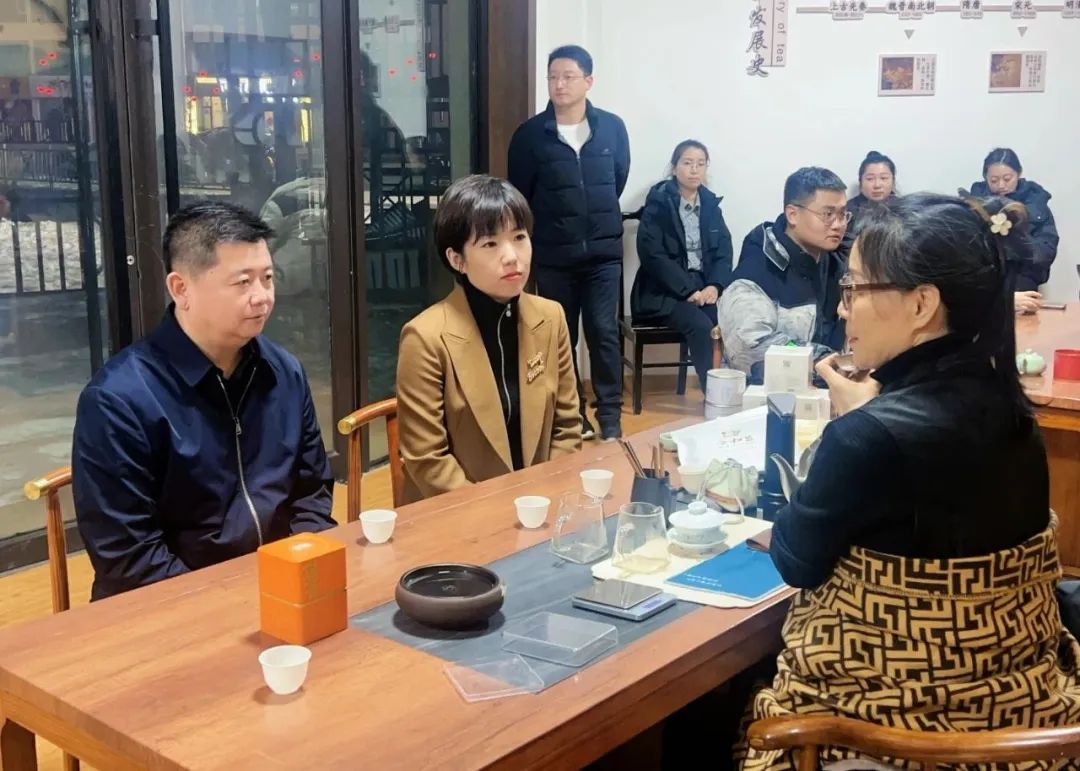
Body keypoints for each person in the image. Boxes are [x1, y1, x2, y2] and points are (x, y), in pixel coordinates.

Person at [737, 193, 1080, 770]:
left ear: (922, 304)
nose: (843, 308)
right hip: (1015, 721)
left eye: (854, 289)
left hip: (887, 736)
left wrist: (852, 422)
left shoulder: (867, 439)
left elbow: (795, 560)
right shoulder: (1014, 415)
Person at [72, 201, 335, 601]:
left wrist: (298, 569)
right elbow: (130, 559)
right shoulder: (118, 400)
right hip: (171, 606)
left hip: (278, 589)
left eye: (267, 278)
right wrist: (231, 600)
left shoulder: (284, 372)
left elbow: (311, 493)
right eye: (242, 282)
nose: (262, 297)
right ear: (181, 289)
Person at [396, 174, 581, 503]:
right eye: (490, 244)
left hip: (541, 504)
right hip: (458, 512)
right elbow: (428, 461)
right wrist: (498, 513)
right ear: (457, 259)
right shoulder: (425, 337)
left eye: (519, 237)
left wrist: (543, 499)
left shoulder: (550, 318)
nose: (512, 256)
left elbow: (567, 427)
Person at [507, 44, 630, 441]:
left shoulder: (612, 128)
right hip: (554, 256)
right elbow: (520, 194)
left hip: (603, 255)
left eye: (568, 77)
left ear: (588, 81)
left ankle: (610, 415)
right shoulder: (530, 136)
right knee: (561, 338)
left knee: (603, 332)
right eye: (553, 77)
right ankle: (574, 415)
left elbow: (617, 178)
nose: (559, 85)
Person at [717, 167, 848, 384]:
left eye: (843, 214)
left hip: (831, 390)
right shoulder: (755, 272)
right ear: (792, 214)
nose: (839, 224)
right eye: (828, 214)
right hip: (766, 394)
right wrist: (823, 358)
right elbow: (751, 348)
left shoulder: (836, 266)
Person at [630, 139, 733, 392]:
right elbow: (653, 255)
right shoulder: (659, 203)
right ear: (674, 168)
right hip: (663, 292)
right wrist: (687, 290)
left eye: (700, 164)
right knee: (701, 327)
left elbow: (724, 251)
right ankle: (714, 394)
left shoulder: (710, 205)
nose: (694, 170)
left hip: (702, 288)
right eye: (687, 163)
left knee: (729, 323)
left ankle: (731, 389)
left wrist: (715, 286)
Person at [970, 147, 1060, 311]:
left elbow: (1046, 251)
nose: (1001, 185)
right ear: (985, 178)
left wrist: (1017, 241)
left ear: (1018, 173)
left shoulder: (1036, 203)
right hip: (984, 279)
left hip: (1023, 277)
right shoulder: (974, 204)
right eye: (994, 180)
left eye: (1007, 178)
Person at [847, 150, 896, 224]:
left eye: (883, 178)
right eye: (870, 179)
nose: (877, 185)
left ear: (893, 181)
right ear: (860, 182)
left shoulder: (903, 209)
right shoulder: (848, 211)